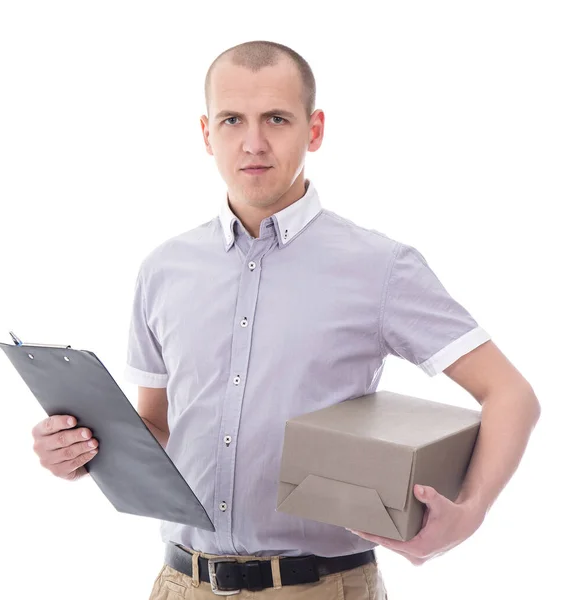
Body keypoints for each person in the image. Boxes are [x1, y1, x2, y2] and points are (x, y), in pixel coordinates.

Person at [32, 40, 541, 599]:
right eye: (232, 120)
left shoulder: (380, 267)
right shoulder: (163, 270)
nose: (253, 143)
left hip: (320, 587)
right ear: (207, 133)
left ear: (313, 130)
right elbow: (157, 427)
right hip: (180, 583)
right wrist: (80, 453)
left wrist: (468, 514)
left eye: (276, 118)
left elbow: (510, 394)